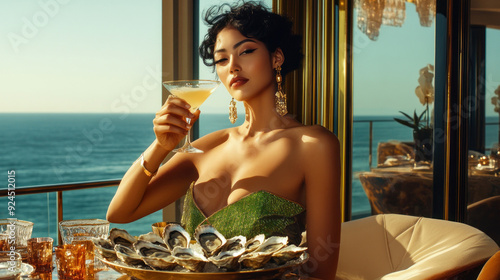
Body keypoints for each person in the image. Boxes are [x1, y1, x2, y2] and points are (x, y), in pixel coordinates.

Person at [107, 1, 341, 279]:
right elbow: (120, 212)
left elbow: (321, 270)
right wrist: (160, 146)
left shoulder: (313, 145)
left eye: (246, 51)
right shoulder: (207, 147)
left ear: (276, 58)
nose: (233, 66)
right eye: (221, 59)